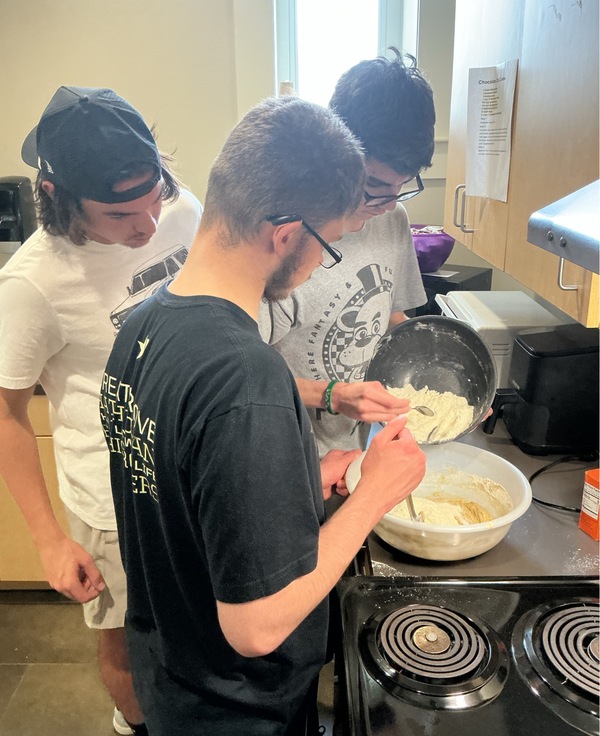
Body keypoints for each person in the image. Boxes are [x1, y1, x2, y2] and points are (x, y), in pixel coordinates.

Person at [101, 95, 426, 736]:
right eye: (327, 246)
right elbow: (257, 626)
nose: (316, 266)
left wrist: (298, 482)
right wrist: (377, 494)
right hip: (238, 710)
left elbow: (184, 497)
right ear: (284, 233)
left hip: (170, 672)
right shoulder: (245, 375)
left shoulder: (140, 325)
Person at [0, 86, 202, 736]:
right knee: (127, 644)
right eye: (121, 216)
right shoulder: (33, 283)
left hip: (200, 477)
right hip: (115, 507)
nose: (147, 225)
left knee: (201, 626)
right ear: (59, 199)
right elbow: (5, 414)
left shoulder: (179, 209)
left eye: (155, 198)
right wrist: (48, 539)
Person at [259, 51, 436, 457]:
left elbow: (390, 317)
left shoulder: (393, 219)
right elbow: (242, 373)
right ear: (336, 150)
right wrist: (333, 395)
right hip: (292, 459)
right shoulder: (288, 235)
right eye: (374, 183)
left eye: (403, 184)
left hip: (358, 452)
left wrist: (438, 374)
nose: (389, 202)